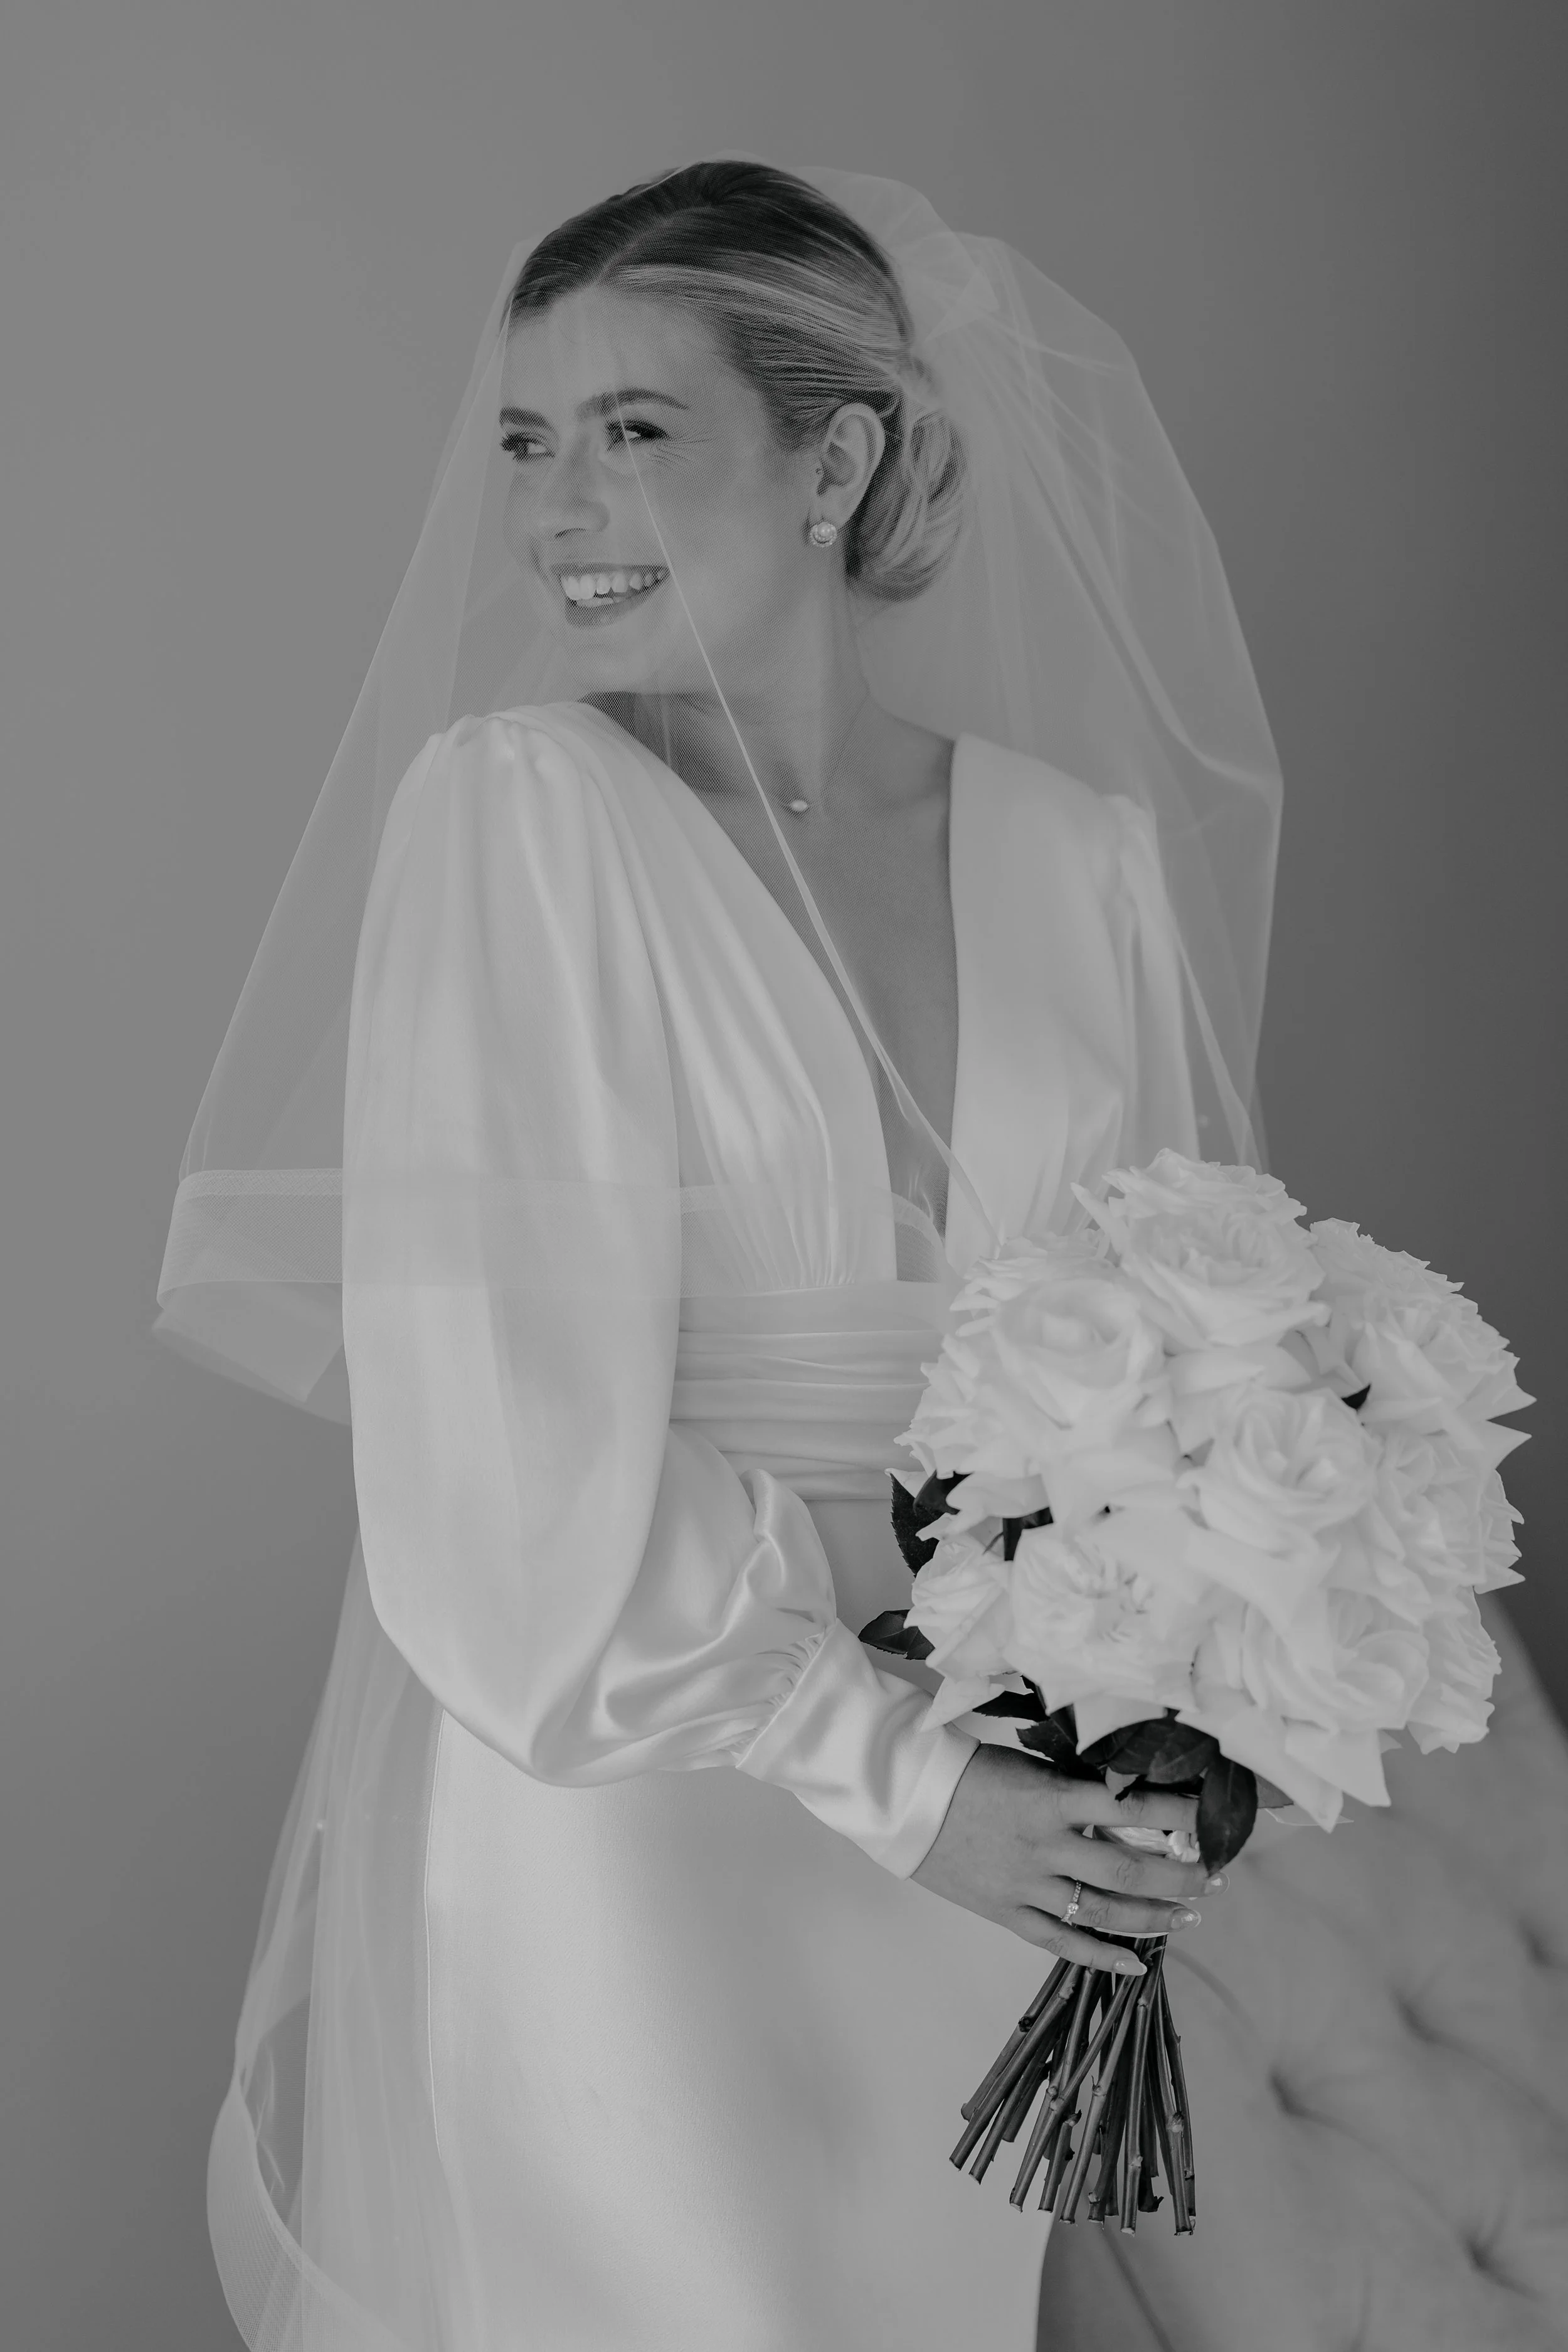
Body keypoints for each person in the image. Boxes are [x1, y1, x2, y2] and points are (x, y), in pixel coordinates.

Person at [157, 159, 1285, 2349]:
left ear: (834, 458)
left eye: (633, 431)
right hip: (652, 1811)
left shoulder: (1085, 864)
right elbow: (502, 1469)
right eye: (524, 441)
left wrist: (1161, 1712)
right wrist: (899, 1780)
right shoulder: (516, 820)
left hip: (1008, 1791)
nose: (554, 507)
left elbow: (1182, 1351)